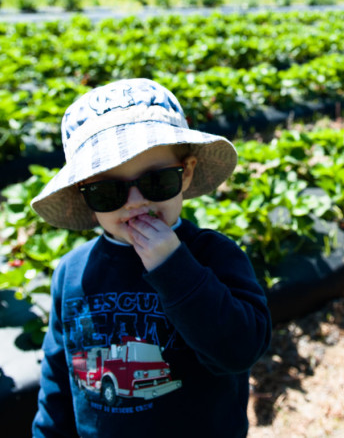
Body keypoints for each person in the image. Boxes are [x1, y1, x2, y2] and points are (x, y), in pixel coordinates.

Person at [30, 78, 272, 436]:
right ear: (84, 195)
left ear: (186, 173)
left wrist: (174, 266)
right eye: (107, 191)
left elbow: (239, 350)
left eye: (156, 181)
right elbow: (57, 378)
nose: (134, 201)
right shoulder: (71, 273)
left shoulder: (215, 256)